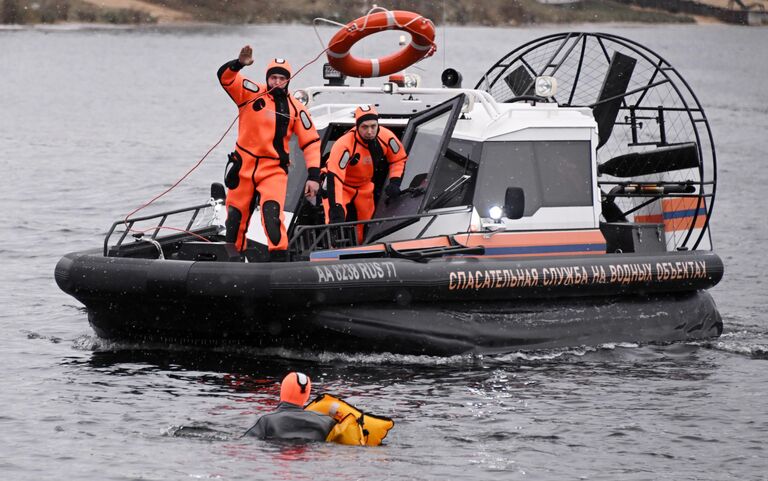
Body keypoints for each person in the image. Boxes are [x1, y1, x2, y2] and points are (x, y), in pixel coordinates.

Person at [217, 45, 321, 261]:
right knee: (235, 218)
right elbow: (225, 78)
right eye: (273, 77)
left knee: (271, 216)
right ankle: (232, 260)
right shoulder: (251, 92)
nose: (277, 82)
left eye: (281, 78)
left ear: (288, 80)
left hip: (272, 170)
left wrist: (313, 176)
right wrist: (238, 64)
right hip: (243, 166)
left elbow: (311, 142)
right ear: (267, 78)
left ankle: (278, 260)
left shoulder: (297, 109)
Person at [323, 105, 408, 242]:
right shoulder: (344, 144)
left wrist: (395, 181)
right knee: (334, 220)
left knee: (367, 223)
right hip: (340, 185)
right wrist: (336, 207)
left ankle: (362, 248)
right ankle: (333, 247)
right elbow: (335, 177)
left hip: (364, 186)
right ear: (357, 126)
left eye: (373, 126)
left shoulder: (386, 137)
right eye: (364, 127)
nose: (370, 131)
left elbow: (398, 158)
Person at [244, 372, 336, 442]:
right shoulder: (327, 422)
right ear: (307, 395)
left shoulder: (266, 421)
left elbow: (245, 443)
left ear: (282, 391)